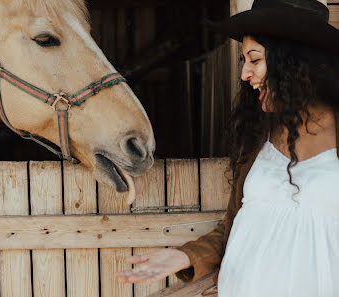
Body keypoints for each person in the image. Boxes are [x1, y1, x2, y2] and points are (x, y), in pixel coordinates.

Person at [115, 0, 339, 296]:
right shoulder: (258, 137)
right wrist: (185, 256)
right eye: (244, 60)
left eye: (255, 59)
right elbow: (236, 225)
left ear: (294, 62)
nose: (245, 74)